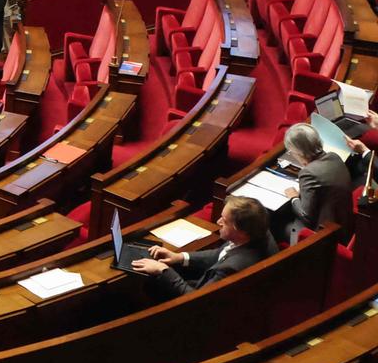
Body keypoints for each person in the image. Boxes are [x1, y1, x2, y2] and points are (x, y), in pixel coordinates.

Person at [132, 196, 276, 296]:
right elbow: (220, 253)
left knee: (150, 284)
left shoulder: (231, 268)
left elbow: (196, 298)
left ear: (240, 230)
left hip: (199, 304)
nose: (218, 222)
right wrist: (179, 257)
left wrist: (163, 270)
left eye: (224, 221)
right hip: (209, 280)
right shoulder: (257, 232)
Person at [281, 123, 356, 243]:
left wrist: (294, 197)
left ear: (299, 152)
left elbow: (306, 216)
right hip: (345, 224)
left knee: (280, 225)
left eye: (291, 151)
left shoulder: (308, 173)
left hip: (325, 235)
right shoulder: (334, 157)